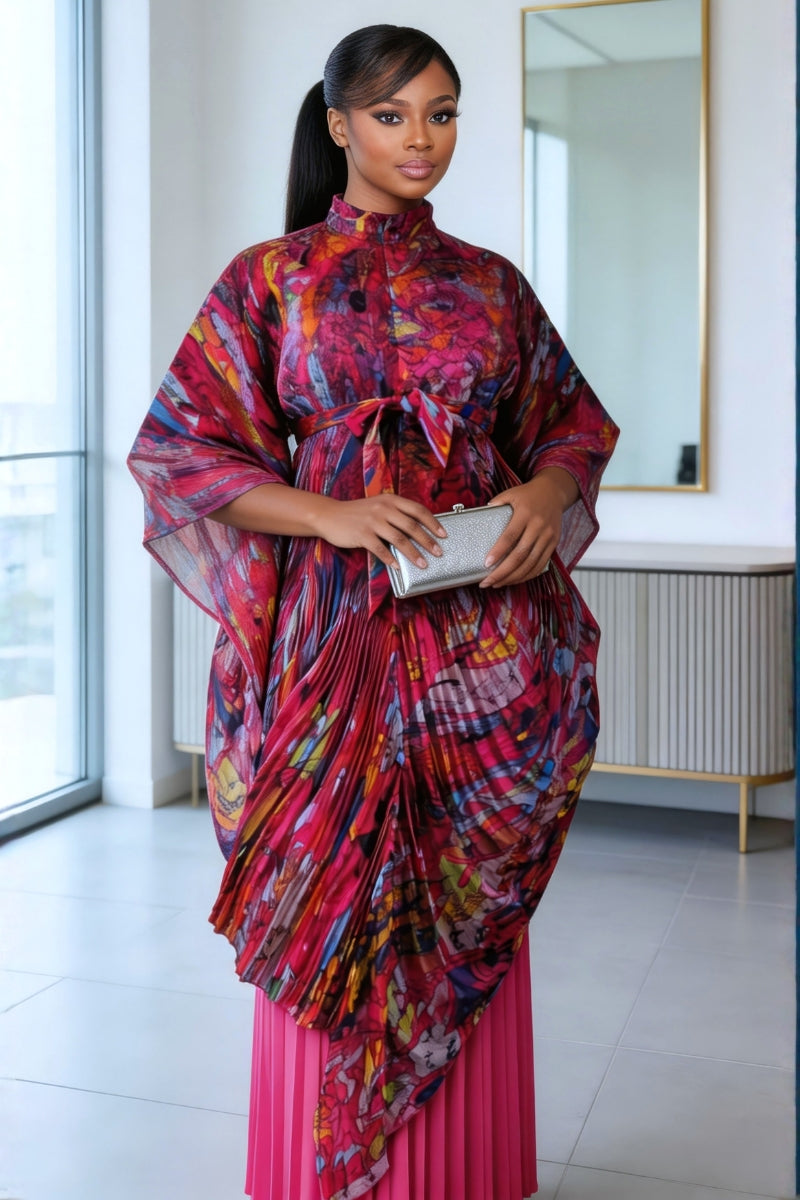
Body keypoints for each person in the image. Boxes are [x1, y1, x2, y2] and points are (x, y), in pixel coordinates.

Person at [128, 24, 619, 1200]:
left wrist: (543, 496)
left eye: (440, 113)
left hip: (478, 651)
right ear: (339, 123)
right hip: (327, 644)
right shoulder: (268, 278)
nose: (420, 139)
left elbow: (570, 425)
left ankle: (465, 1171)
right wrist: (329, 513)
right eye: (392, 114)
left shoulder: (490, 285)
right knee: (330, 885)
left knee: (457, 895)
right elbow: (182, 449)